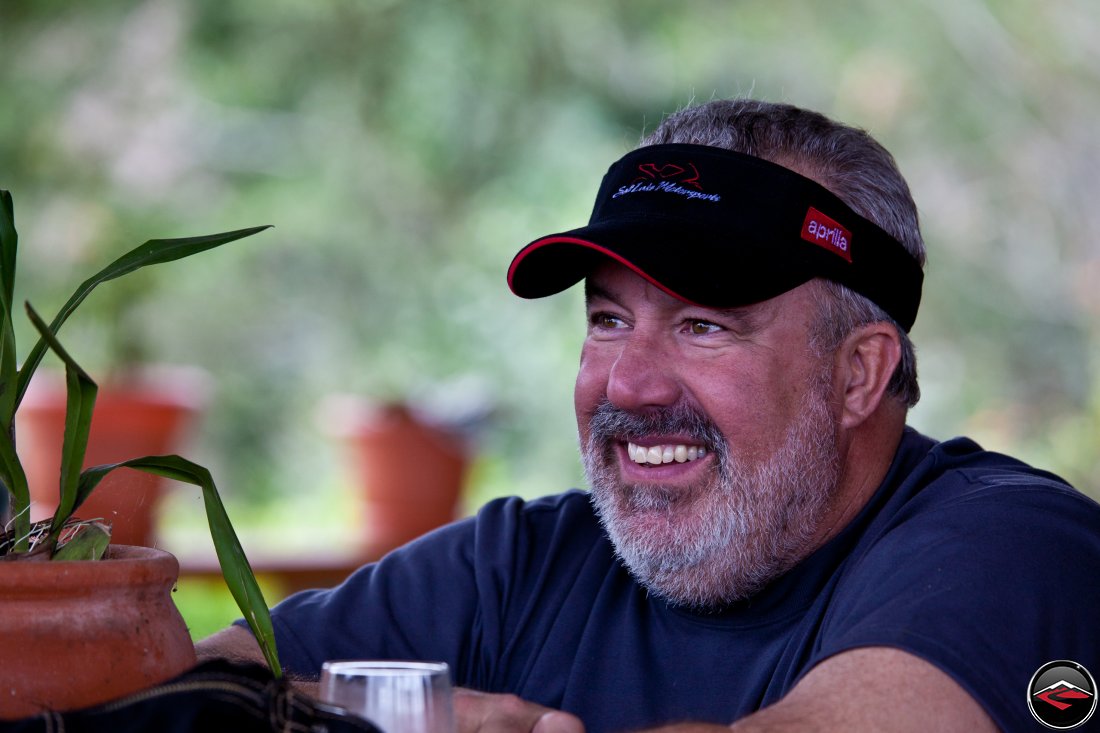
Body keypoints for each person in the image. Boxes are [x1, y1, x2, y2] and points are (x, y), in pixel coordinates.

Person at [199, 99, 1100, 732]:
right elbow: (169, 692)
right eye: (607, 318)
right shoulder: (525, 562)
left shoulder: (1017, 546)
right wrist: (378, 715)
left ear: (859, 374)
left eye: (704, 324)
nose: (626, 385)